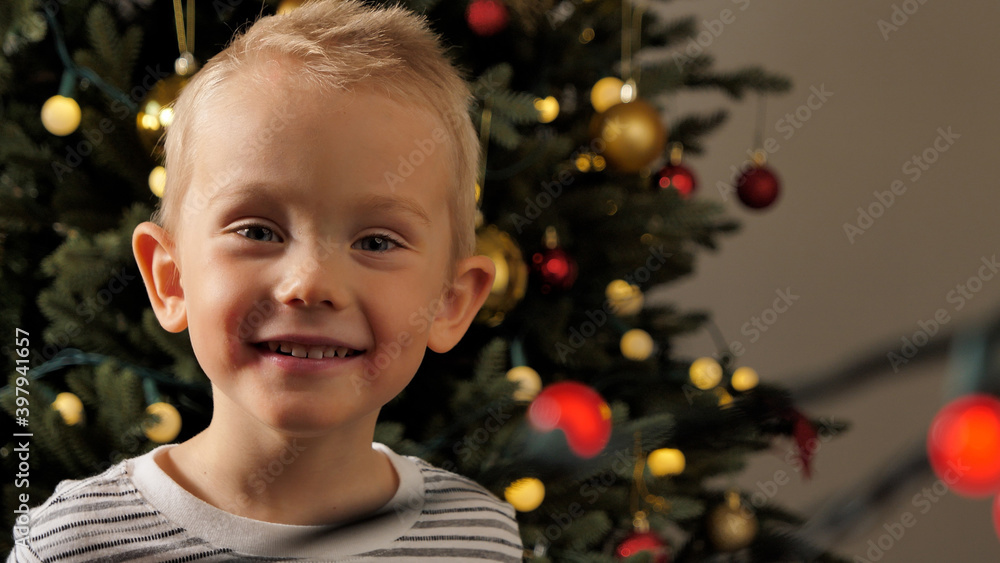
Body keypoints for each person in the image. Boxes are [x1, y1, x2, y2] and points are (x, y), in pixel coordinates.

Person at [8, 1, 523, 561]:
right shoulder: (75, 545)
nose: (309, 282)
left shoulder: (479, 537)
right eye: (257, 230)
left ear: (450, 302)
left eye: (376, 242)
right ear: (171, 278)